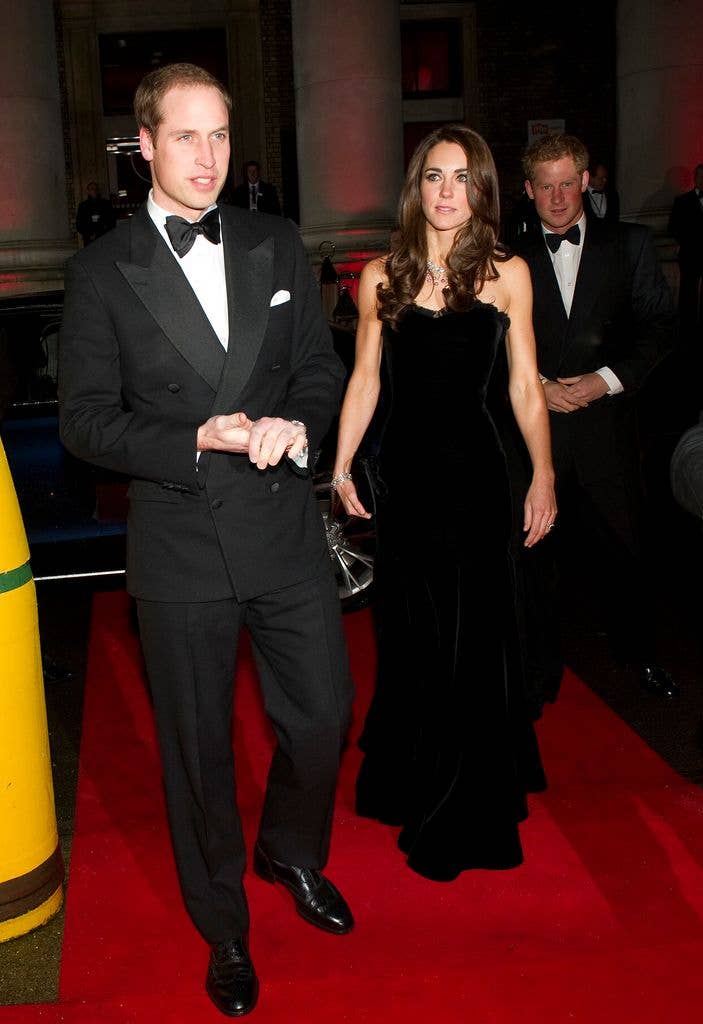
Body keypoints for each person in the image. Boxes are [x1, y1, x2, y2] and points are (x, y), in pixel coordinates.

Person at [59, 62, 354, 1018]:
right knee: (197, 754)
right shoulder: (103, 271)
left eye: (220, 136)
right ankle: (223, 926)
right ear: (143, 145)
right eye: (185, 137)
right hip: (181, 543)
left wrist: (298, 426)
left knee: (320, 717)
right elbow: (86, 424)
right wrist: (195, 433)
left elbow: (319, 366)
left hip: (279, 527)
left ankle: (290, 850)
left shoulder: (273, 240)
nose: (207, 158)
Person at [331, 124, 556, 881]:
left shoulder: (507, 274)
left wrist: (543, 474)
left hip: (482, 481)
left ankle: (464, 803)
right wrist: (339, 465)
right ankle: (412, 774)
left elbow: (524, 386)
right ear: (415, 186)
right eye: (434, 176)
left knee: (474, 639)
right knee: (412, 639)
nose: (447, 191)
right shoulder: (380, 277)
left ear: (483, 190)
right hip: (407, 483)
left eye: (462, 177)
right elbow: (364, 380)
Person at [512, 132, 678, 713]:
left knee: (626, 550)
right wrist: (539, 388)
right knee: (533, 564)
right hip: (537, 435)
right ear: (528, 190)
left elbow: (660, 328)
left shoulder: (629, 244)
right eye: (545, 186)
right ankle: (535, 676)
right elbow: (490, 347)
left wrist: (602, 380)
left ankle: (642, 656)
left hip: (607, 427)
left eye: (568, 183)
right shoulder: (507, 259)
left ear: (586, 181)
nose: (558, 198)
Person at [668, 163, 703, 330]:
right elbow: (673, 228)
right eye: (700, 177)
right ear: (695, 179)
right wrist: (689, 241)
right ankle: (686, 327)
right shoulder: (682, 201)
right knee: (688, 292)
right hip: (690, 254)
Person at [75, 181, 116, 246]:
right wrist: (88, 234)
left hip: (104, 238)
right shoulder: (83, 206)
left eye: (96, 189)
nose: (94, 191)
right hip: (89, 239)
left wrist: (102, 233)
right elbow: (79, 223)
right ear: (88, 191)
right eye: (92, 189)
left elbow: (112, 221)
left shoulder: (106, 204)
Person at [583, 159, 620, 223]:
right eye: (601, 178)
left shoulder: (612, 194)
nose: (605, 180)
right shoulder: (581, 195)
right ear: (590, 178)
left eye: (605, 177)